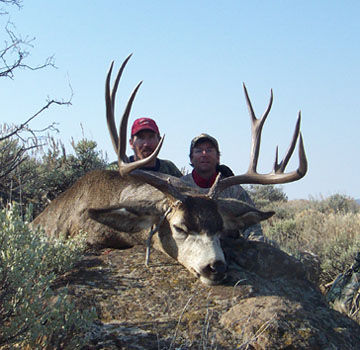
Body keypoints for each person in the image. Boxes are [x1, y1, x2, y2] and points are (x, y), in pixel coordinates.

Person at [181, 133, 264, 241]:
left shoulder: (234, 190)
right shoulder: (180, 187)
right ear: (191, 159)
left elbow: (253, 227)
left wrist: (255, 245)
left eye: (209, 150)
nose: (204, 154)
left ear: (218, 158)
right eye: (198, 151)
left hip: (229, 249)